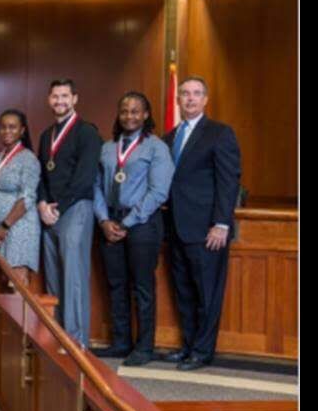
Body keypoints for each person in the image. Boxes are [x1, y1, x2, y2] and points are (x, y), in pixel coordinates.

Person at [161, 76, 241, 371]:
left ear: (205, 100)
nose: (190, 99)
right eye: (185, 94)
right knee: (183, 291)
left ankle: (202, 352)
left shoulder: (219, 133)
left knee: (207, 293)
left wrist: (221, 223)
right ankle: (188, 346)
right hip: (176, 227)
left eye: (196, 94)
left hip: (207, 229)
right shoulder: (169, 137)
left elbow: (228, 181)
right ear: (178, 100)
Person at [93, 91, 174, 367]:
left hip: (142, 225)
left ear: (146, 114)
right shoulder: (107, 148)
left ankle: (144, 346)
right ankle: (121, 341)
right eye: (125, 111)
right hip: (109, 223)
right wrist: (104, 220)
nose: (130, 116)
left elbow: (158, 192)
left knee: (142, 287)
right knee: (116, 285)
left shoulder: (156, 147)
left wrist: (126, 223)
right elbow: (96, 187)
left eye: (136, 111)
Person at [36, 79, 102, 349]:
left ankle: (75, 341)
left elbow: (84, 178)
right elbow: (42, 174)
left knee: (73, 276)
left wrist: (57, 206)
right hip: (49, 212)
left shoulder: (87, 133)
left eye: (65, 96)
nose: (59, 101)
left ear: (75, 99)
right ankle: (58, 334)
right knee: (53, 276)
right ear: (49, 100)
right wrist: (42, 203)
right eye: (55, 96)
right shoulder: (45, 135)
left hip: (75, 209)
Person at [0, 108, 40, 286]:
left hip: (18, 229)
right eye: (3, 127)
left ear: (22, 130)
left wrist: (5, 225)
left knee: (17, 283)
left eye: (12, 127)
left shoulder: (28, 159)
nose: (7, 131)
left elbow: (27, 198)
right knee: (5, 281)